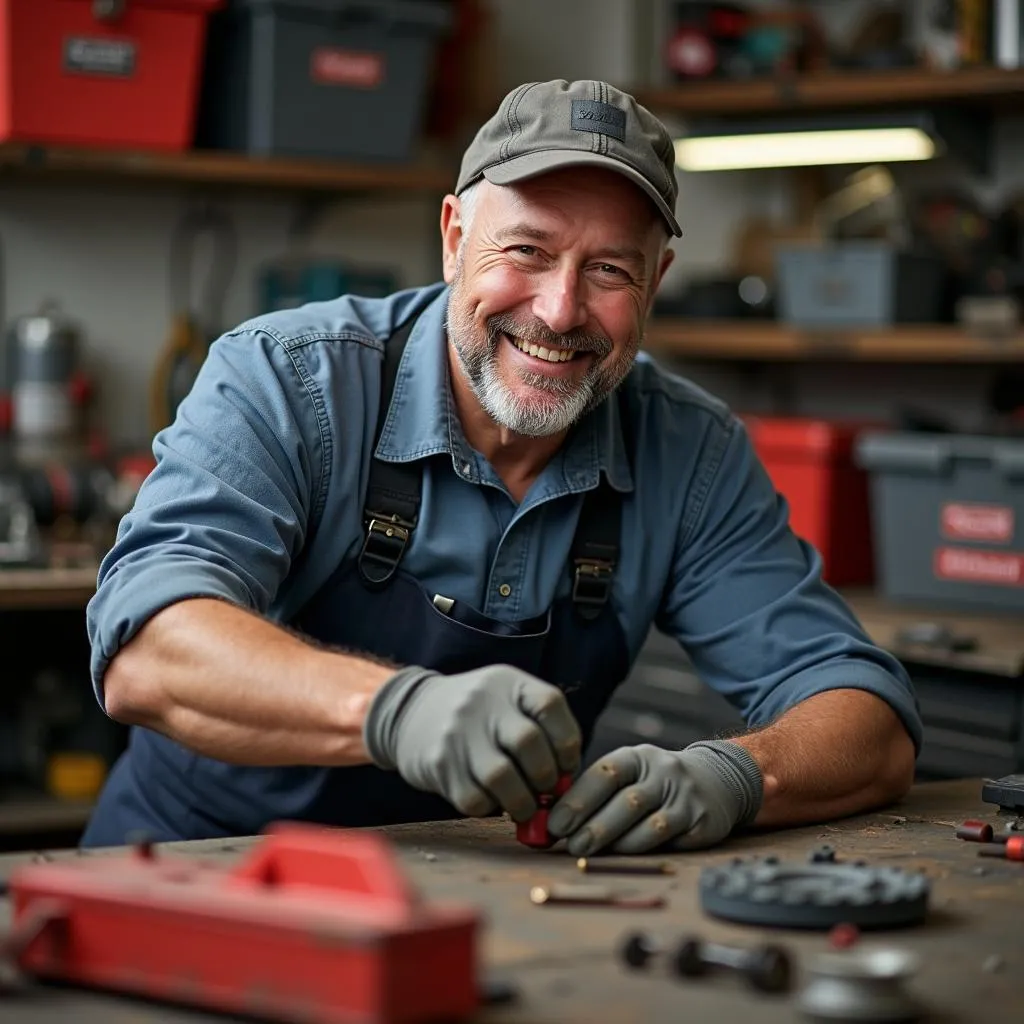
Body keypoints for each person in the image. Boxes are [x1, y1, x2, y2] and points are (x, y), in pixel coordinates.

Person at [81, 79, 921, 854]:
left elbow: (868, 721)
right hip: (198, 871)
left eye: (608, 270)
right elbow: (147, 650)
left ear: (657, 282)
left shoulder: (687, 450)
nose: (558, 311)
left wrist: (738, 776)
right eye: (524, 250)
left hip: (480, 901)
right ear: (453, 240)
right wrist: (393, 712)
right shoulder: (289, 379)